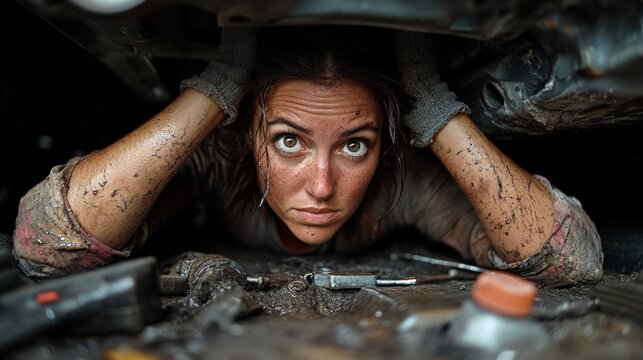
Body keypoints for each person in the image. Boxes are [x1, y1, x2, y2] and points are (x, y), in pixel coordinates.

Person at [11, 26, 603, 287]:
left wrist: (429, 103)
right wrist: (220, 89)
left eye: (354, 145)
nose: (322, 186)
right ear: (250, 136)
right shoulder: (218, 161)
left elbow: (569, 261)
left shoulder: (404, 185)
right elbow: (47, 244)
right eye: (288, 140)